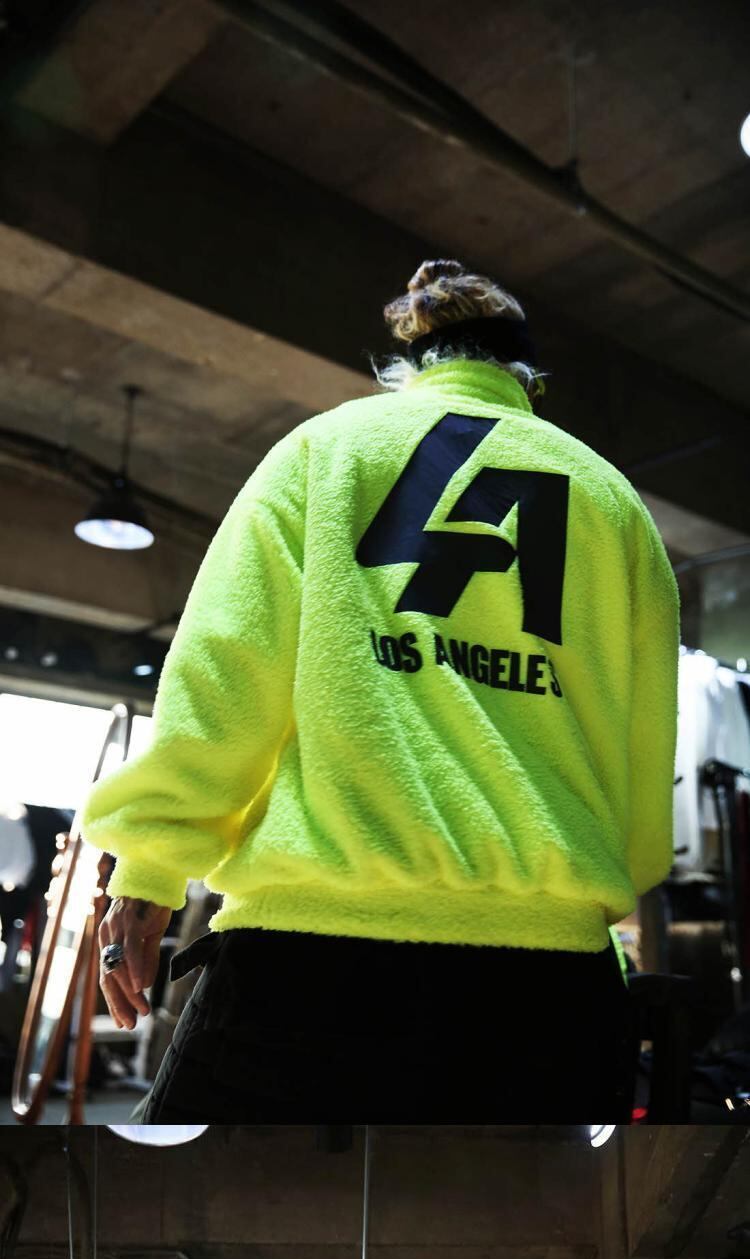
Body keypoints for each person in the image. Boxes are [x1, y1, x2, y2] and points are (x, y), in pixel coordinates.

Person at [81, 256, 679, 1133]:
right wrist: (593, 891)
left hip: (307, 970)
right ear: (527, 380)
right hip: (546, 988)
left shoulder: (323, 452)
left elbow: (222, 674)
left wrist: (150, 869)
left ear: (407, 365)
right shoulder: (614, 503)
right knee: (512, 1224)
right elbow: (643, 752)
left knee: (217, 1217)